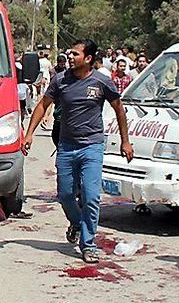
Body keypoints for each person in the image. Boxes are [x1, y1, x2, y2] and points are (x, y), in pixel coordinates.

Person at [22, 39, 134, 263]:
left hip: (92, 147)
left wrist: (125, 141)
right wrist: (29, 133)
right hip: (66, 147)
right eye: (69, 53)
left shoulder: (102, 82)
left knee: (91, 197)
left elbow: (119, 110)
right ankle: (76, 222)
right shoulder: (60, 80)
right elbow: (43, 104)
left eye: (75, 54)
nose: (69, 57)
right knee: (65, 195)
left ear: (89, 59)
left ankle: (88, 243)